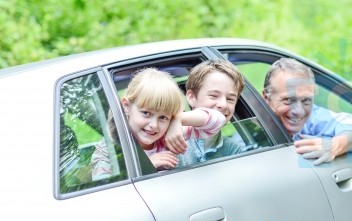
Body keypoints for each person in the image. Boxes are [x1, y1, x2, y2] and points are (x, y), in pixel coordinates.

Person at [91, 68, 226, 179]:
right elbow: (105, 192)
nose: (154, 125)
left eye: (163, 117)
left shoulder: (167, 136)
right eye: (146, 113)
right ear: (126, 106)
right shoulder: (108, 151)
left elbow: (218, 120)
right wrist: (147, 164)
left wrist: (178, 120)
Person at [262, 58, 352, 165]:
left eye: (306, 100)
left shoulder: (312, 118)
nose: (299, 111)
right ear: (266, 98)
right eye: (289, 100)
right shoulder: (250, 129)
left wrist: (334, 146)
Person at [172, 60, 245, 166]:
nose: (223, 104)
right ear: (191, 98)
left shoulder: (233, 149)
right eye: (214, 96)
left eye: (230, 99)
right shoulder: (173, 137)